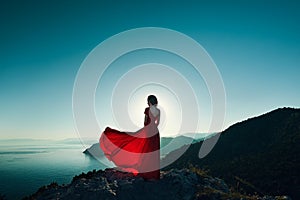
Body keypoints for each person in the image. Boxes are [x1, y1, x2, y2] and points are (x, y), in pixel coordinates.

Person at [99, 95, 160, 180]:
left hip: (148, 131)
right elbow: (157, 123)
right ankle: (154, 174)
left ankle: (147, 173)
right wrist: (153, 127)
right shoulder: (158, 111)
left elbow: (145, 122)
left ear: (149, 101)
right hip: (155, 132)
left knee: (145, 150)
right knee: (154, 152)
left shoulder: (147, 109)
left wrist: (146, 130)